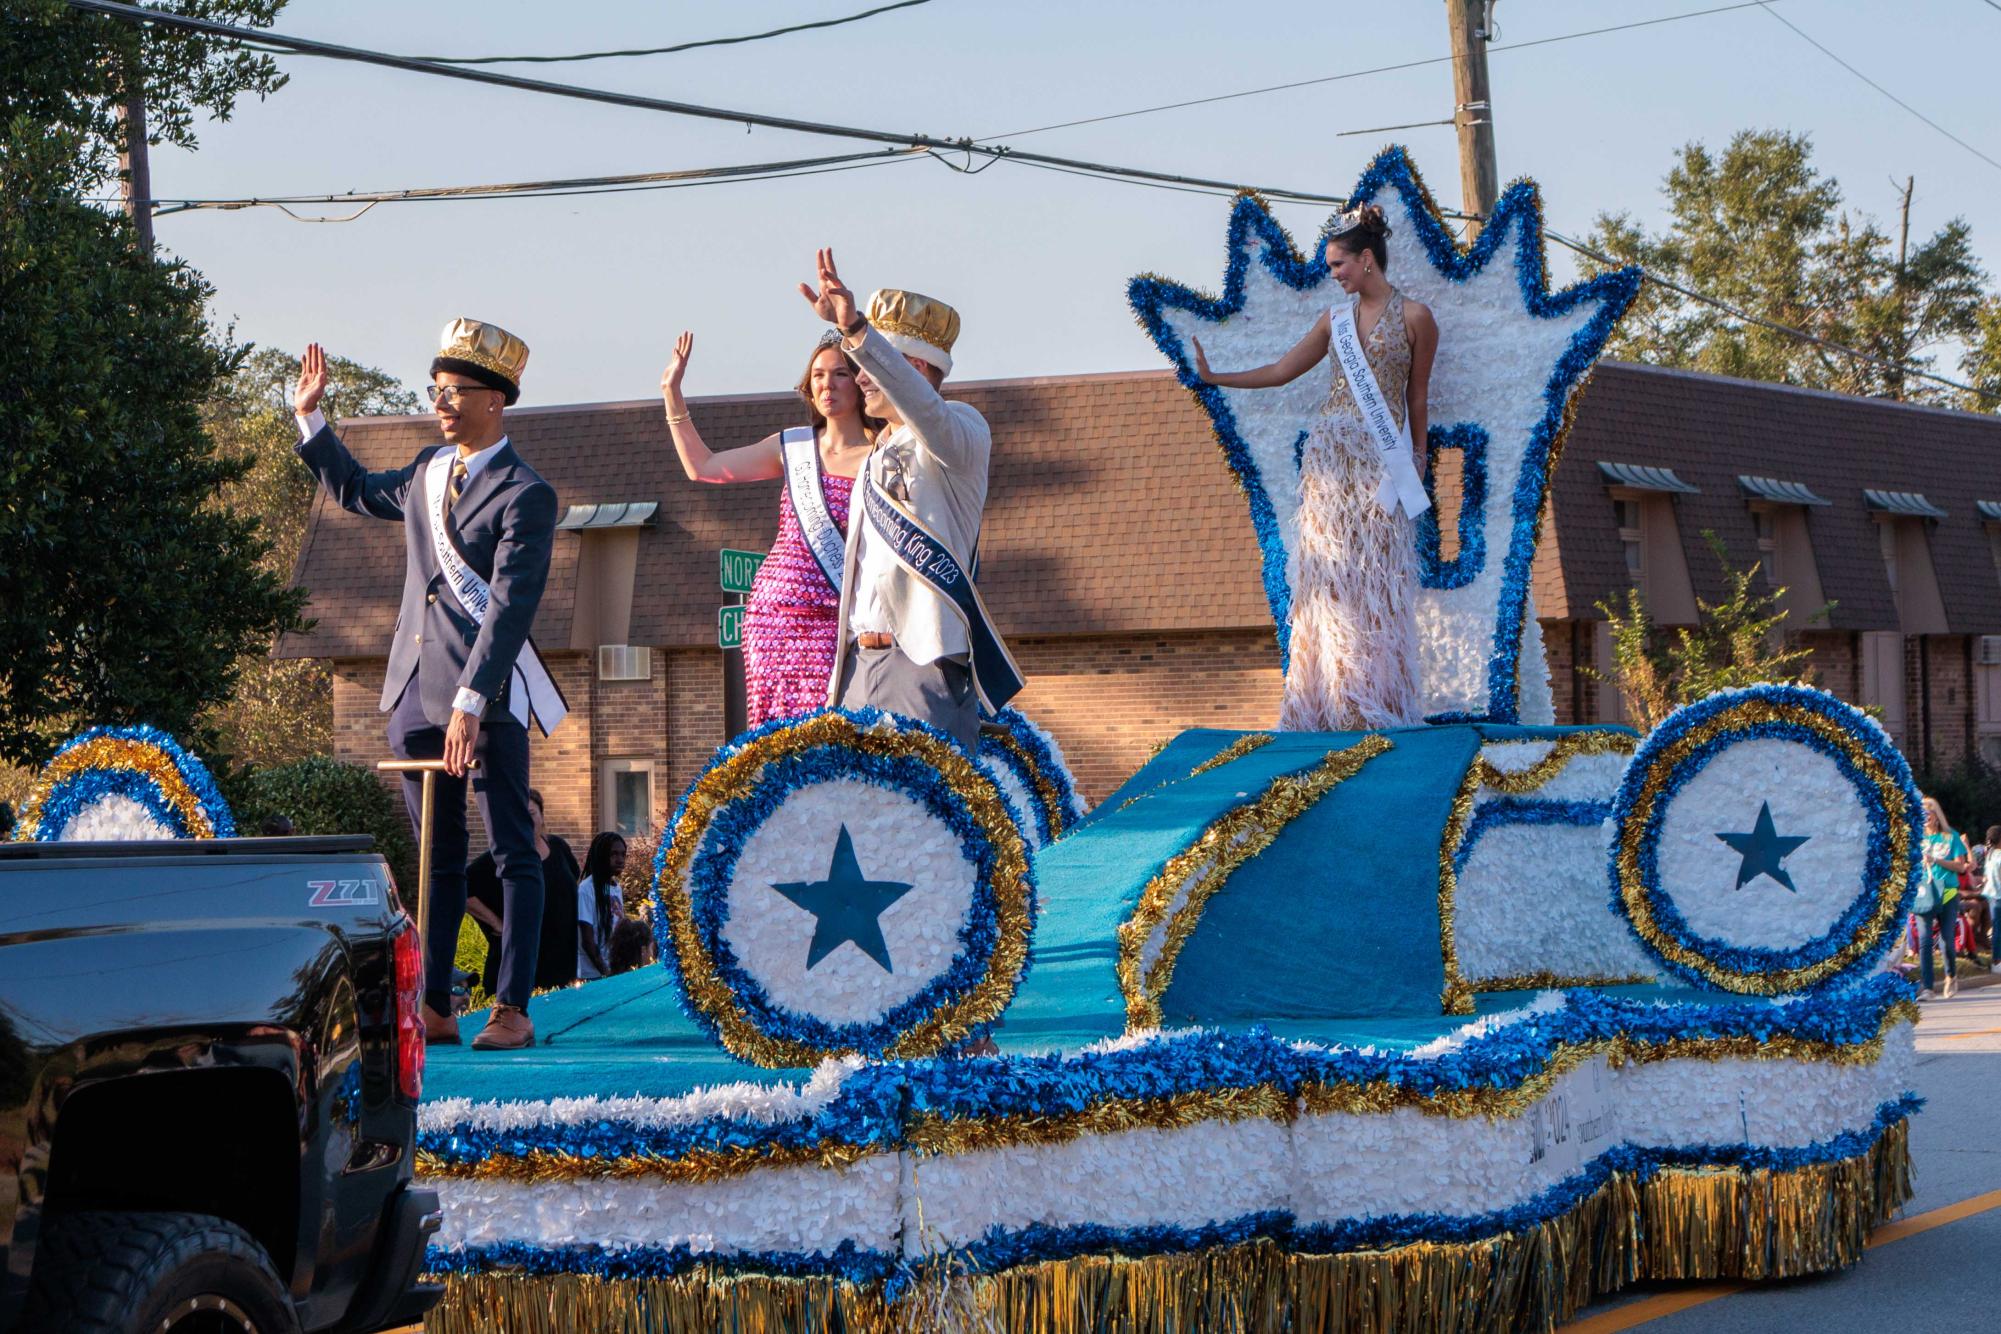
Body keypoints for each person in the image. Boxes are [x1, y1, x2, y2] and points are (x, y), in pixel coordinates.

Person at [293, 322, 566, 1050]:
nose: (442, 404)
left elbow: (509, 606)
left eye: (456, 392)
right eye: (436, 390)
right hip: (412, 689)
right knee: (435, 858)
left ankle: (511, 1007)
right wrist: (311, 418)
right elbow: (351, 489)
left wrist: (472, 702)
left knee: (512, 851)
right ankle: (437, 1005)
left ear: (497, 401)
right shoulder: (424, 470)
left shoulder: (526, 494)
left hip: (484, 699)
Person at [1191, 204, 1439, 731]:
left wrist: (1416, 461)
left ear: (1366, 259)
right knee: (1328, 578)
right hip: (1329, 461)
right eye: (1331, 266)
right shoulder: (1335, 320)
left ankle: (1375, 698)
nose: (1333, 274)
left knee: (1376, 580)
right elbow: (1283, 370)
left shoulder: (1417, 318)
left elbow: (1417, 399)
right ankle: (1327, 700)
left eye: (1338, 264)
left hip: (1380, 466)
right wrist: (1217, 378)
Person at [798, 252, 1025, 748]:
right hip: (861, 666)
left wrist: (856, 328)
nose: (858, 378)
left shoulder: (961, 429)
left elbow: (925, 410)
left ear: (914, 368)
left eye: (867, 366)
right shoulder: (875, 450)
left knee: (932, 819)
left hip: (924, 664)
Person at [661, 330, 877, 726]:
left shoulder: (880, 454)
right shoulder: (792, 447)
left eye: (840, 374)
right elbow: (703, 467)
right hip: (772, 614)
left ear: (862, 382)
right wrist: (671, 392)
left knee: (826, 728)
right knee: (774, 732)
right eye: (818, 376)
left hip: (835, 614)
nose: (827, 384)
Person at [465, 789, 580, 995]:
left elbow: (574, 882)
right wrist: (496, 923)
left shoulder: (559, 847)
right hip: (521, 963)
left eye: (532, 814)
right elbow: (463, 889)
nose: (526, 820)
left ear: (542, 816)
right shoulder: (501, 857)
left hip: (562, 961)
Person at [1916, 795, 1967, 999]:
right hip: (1924, 894)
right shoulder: (1915, 838)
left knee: (1946, 939)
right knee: (1925, 940)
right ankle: (1928, 987)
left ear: (1936, 816)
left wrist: (1936, 860)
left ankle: (1951, 975)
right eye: (1922, 815)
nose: (1925, 818)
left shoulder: (1950, 836)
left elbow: (1960, 866)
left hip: (1947, 893)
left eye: (1928, 814)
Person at [575, 832, 629, 981]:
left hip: (614, 971)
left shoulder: (616, 888)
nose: (620, 860)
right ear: (601, 856)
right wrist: (605, 972)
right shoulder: (587, 889)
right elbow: (587, 940)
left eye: (623, 855)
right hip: (593, 975)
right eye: (614, 854)